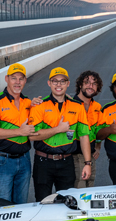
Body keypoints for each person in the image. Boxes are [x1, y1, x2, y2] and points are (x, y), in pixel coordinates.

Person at [29, 67, 92, 202]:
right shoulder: (39, 106)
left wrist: (88, 163)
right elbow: (32, 136)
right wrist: (58, 129)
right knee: (42, 202)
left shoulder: (77, 106)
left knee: (67, 202)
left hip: (66, 162)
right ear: (49, 83)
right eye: (55, 81)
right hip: (43, 162)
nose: (58, 84)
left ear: (68, 83)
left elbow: (84, 136)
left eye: (62, 81)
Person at [0, 63, 36, 204]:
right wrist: (19, 131)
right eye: (14, 78)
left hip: (24, 159)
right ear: (6, 79)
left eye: (21, 79)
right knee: (3, 205)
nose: (17, 82)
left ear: (25, 81)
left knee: (21, 205)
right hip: (2, 161)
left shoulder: (28, 102)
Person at [72, 71, 104, 188]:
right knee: (79, 192)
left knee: (90, 190)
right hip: (74, 156)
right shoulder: (70, 104)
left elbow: (98, 129)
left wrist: (98, 146)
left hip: (90, 157)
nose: (90, 86)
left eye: (94, 84)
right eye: (87, 82)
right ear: (80, 85)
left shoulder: (97, 107)